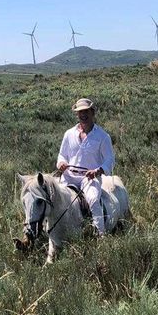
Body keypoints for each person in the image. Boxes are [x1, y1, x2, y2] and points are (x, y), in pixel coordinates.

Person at [56, 98, 115, 236]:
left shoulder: (103, 136)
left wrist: (98, 170)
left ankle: (101, 235)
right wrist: (61, 163)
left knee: (93, 200)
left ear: (92, 112)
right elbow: (61, 155)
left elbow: (110, 160)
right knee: (52, 198)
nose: (83, 115)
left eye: (86, 111)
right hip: (68, 176)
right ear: (77, 114)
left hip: (89, 178)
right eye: (80, 112)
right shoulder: (69, 134)